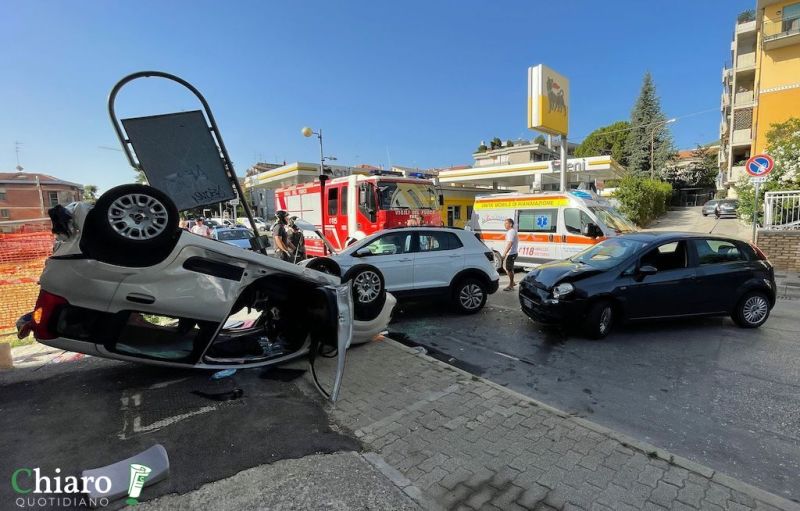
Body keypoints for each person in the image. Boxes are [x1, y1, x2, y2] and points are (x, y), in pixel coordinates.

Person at [502, 218, 519, 291]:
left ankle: (511, 285)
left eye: (506, 223)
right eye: (504, 223)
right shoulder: (512, 231)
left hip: (511, 254)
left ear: (510, 224)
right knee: (508, 268)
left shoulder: (511, 232)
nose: (505, 225)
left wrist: (504, 253)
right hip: (512, 253)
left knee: (508, 269)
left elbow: (510, 243)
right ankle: (513, 282)